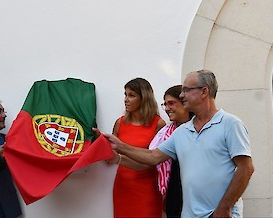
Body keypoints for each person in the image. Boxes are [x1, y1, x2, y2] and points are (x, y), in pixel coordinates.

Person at [102, 70, 254, 218]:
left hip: (221, 214)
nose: (182, 95)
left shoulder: (230, 124)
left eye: (186, 90)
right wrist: (120, 146)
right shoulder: (182, 131)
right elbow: (153, 156)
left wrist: (224, 207)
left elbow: (246, 168)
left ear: (204, 92)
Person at [110, 78, 166, 218]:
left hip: (147, 189)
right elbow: (110, 155)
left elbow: (158, 159)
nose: (126, 99)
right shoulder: (120, 123)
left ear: (144, 98)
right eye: (125, 94)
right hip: (123, 186)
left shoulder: (158, 124)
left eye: (131, 95)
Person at [149, 85, 192, 217]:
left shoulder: (199, 130)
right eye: (165, 104)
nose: (167, 109)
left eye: (171, 103)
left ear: (185, 103)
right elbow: (151, 157)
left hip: (196, 199)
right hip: (175, 198)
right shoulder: (166, 133)